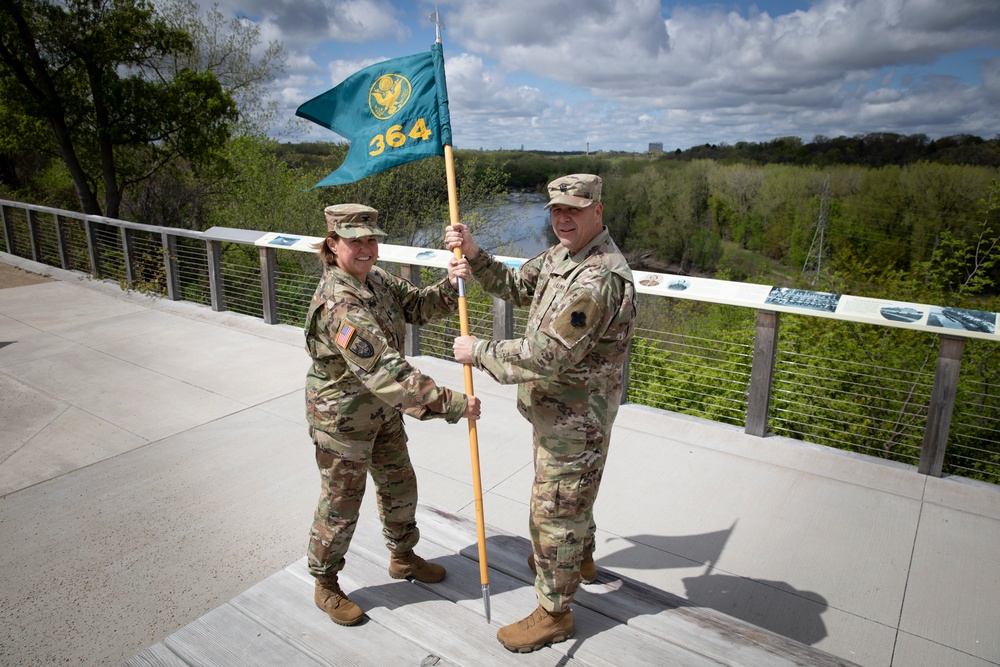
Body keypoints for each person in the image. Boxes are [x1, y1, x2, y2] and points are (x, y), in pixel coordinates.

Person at [446, 174, 637, 652]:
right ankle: (581, 560)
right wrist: (473, 251)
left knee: (553, 511)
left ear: (598, 210)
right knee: (570, 498)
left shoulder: (598, 278)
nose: (563, 218)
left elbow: (547, 354)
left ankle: (555, 612)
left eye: (574, 209)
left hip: (577, 420)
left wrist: (480, 351)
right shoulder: (561, 256)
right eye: (556, 210)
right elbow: (514, 284)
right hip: (555, 413)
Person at [304, 203, 481, 627]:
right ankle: (325, 583)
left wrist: (452, 282)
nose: (367, 247)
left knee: (400, 485)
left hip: (382, 413)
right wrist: (450, 404)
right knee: (341, 503)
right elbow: (385, 369)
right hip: (342, 419)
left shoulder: (377, 280)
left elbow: (418, 305)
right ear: (333, 244)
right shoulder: (339, 303)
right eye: (355, 240)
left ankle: (403, 557)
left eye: (371, 239)